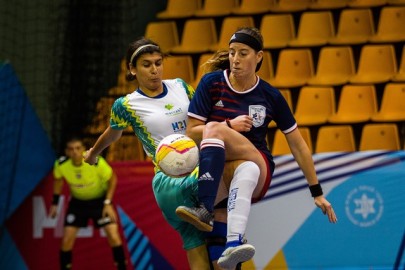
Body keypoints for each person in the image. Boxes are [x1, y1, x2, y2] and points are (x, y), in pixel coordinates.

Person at [175, 27, 338, 269]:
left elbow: (298, 145)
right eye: (231, 53)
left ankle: (204, 208)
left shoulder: (269, 96)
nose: (235, 59)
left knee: (220, 135)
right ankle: (233, 243)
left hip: (258, 165)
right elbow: (191, 132)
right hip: (219, 170)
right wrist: (230, 124)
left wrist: (317, 192)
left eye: (243, 53)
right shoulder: (212, 83)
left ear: (258, 56)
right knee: (220, 254)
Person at [82, 37, 249, 270]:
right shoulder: (126, 105)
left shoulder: (180, 86)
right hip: (171, 181)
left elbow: (203, 118)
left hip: (200, 168)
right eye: (146, 65)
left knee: (212, 246)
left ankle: (222, 232)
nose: (154, 70)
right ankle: (225, 230)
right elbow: (113, 134)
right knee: (226, 205)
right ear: (132, 69)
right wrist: (93, 153)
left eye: (158, 63)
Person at [49, 137, 127, 270]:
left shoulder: (95, 161)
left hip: (100, 202)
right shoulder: (61, 164)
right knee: (67, 239)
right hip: (78, 204)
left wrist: (108, 203)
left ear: (83, 149)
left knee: (113, 235)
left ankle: (121, 267)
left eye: (78, 148)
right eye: (71, 149)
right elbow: (58, 180)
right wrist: (55, 203)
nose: (75, 152)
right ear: (66, 152)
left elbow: (112, 179)